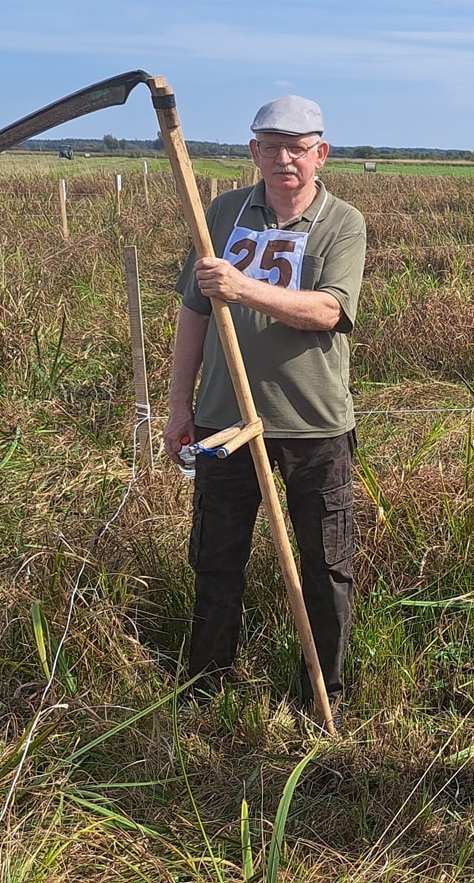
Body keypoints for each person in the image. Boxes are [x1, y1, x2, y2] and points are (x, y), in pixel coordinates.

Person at [164, 95, 367, 706]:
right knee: (216, 555)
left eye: (298, 148)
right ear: (254, 152)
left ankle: (322, 692)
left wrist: (243, 287)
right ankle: (206, 685)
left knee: (325, 563)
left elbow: (329, 310)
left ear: (321, 155)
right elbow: (193, 314)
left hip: (312, 423)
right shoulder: (221, 215)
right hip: (224, 419)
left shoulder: (341, 223)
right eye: (272, 146)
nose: (285, 159)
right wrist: (181, 408)